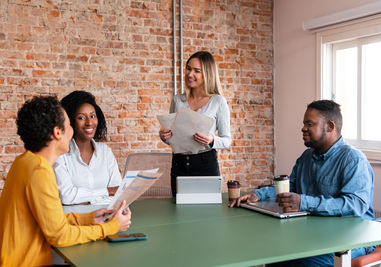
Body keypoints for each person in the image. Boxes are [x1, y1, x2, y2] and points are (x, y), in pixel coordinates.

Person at [230, 100, 375, 267]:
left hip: (353, 237)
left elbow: (356, 205)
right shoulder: (306, 157)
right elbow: (290, 186)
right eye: (304, 123)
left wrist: (303, 202)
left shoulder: (353, 160)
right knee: (275, 255)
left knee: (310, 260)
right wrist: (257, 194)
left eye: (309, 123)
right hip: (315, 233)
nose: (303, 128)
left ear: (329, 126)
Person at [0, 96, 131, 266]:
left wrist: (90, 218)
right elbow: (59, 235)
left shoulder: (23, 162)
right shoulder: (39, 172)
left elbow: (51, 219)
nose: (72, 131)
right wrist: (112, 227)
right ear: (57, 132)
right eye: (69, 124)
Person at [159, 51, 231, 196]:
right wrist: (165, 137)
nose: (190, 74)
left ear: (207, 74)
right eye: (188, 68)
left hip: (206, 164)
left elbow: (227, 141)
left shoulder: (218, 101)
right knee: (179, 213)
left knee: (207, 215)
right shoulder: (177, 100)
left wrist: (211, 140)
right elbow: (174, 139)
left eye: (196, 71)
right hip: (179, 164)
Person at [54, 90, 121, 205]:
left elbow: (118, 192)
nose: (89, 122)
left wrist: (83, 200)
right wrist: (107, 191)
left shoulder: (105, 151)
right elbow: (66, 197)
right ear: (69, 122)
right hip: (73, 220)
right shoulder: (61, 154)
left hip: (105, 218)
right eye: (81, 118)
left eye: (92, 116)